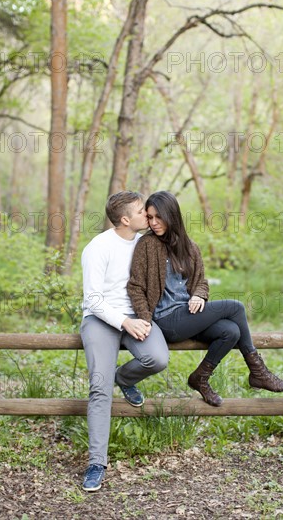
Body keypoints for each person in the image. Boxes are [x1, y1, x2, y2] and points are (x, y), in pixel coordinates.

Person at [127, 191, 283, 408]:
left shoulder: (189, 247)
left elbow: (201, 281)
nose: (154, 223)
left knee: (230, 331)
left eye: (159, 217)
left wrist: (199, 294)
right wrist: (145, 319)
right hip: (166, 319)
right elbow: (136, 286)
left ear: (172, 215)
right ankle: (259, 372)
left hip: (189, 315)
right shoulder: (146, 245)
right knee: (236, 307)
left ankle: (200, 378)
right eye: (149, 217)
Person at [80, 191, 169, 492]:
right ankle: (96, 463)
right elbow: (93, 299)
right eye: (142, 211)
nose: (149, 214)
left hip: (137, 314)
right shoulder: (98, 247)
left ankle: (125, 378)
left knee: (157, 358)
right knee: (99, 386)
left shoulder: (148, 244)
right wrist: (123, 322)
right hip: (101, 319)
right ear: (125, 219)